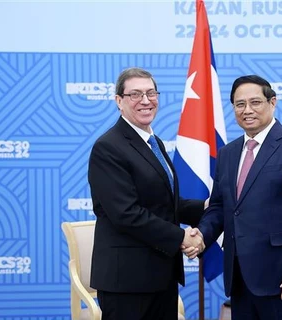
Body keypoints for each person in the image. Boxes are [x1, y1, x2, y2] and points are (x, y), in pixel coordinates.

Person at [187, 75, 282, 319]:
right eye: (240, 104)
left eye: (255, 102)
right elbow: (220, 207)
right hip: (240, 277)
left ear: (273, 102)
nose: (247, 110)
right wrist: (201, 236)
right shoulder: (228, 153)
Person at [88, 67, 205, 320]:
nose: (145, 100)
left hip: (161, 274)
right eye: (135, 94)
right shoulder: (108, 147)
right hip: (128, 282)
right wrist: (181, 237)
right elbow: (126, 213)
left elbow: (162, 202)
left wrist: (206, 207)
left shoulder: (153, 142)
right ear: (119, 101)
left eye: (151, 93)